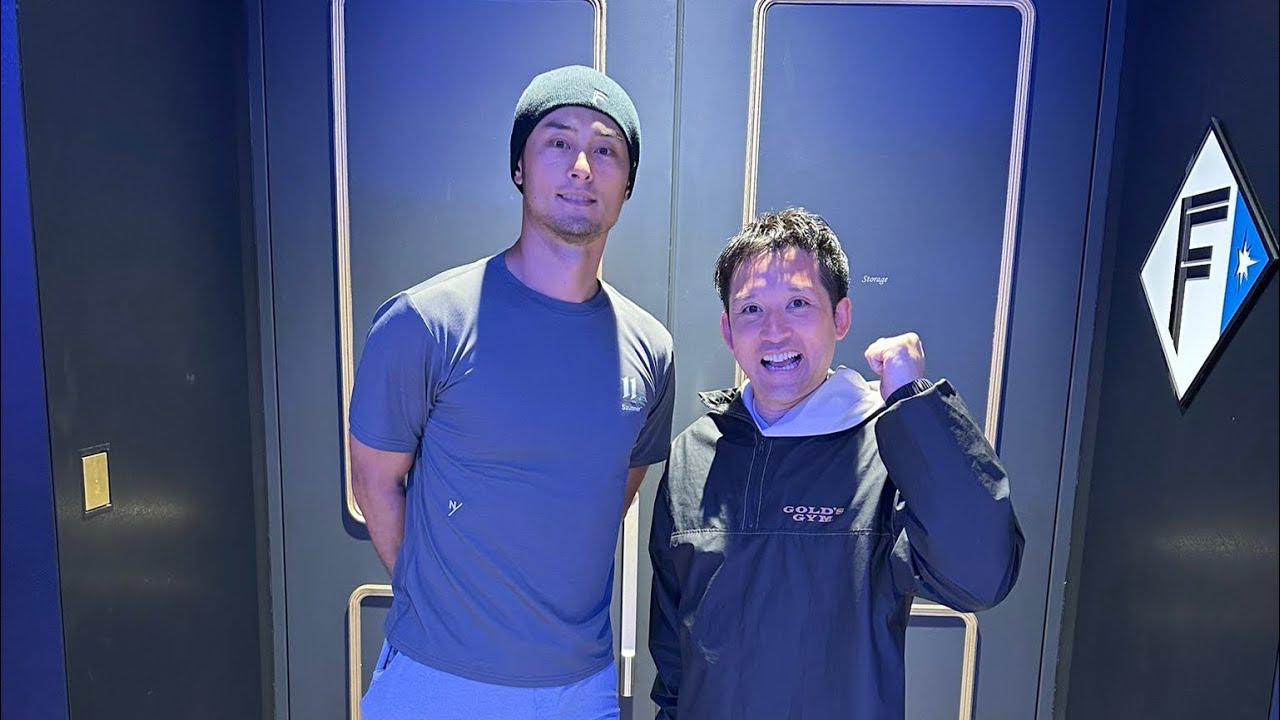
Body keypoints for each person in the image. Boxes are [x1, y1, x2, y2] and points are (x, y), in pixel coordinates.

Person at [349, 65, 675, 720]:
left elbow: (610, 494)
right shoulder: (426, 323)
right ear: (520, 167)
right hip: (435, 681)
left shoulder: (650, 350)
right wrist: (446, 611)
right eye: (558, 141)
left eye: (606, 149)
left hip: (578, 688)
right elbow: (373, 481)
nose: (581, 166)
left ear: (627, 184)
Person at [648, 207, 1023, 718]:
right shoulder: (695, 454)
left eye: (798, 303)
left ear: (840, 317)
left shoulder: (887, 448)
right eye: (752, 309)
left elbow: (980, 576)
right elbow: (674, 651)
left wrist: (915, 403)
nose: (774, 332)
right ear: (728, 330)